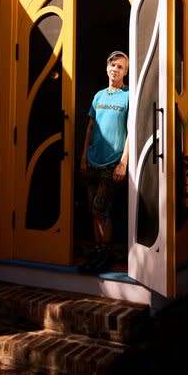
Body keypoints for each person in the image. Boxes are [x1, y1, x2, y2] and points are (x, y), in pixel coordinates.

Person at [80, 51, 129, 272]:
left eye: (119, 66)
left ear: (125, 72)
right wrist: (83, 157)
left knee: (101, 209)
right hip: (92, 161)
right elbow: (90, 127)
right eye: (112, 65)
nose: (114, 69)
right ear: (107, 68)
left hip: (112, 163)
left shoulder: (129, 95)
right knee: (94, 210)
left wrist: (124, 163)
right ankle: (98, 251)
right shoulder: (98, 96)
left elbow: (131, 131)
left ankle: (105, 253)